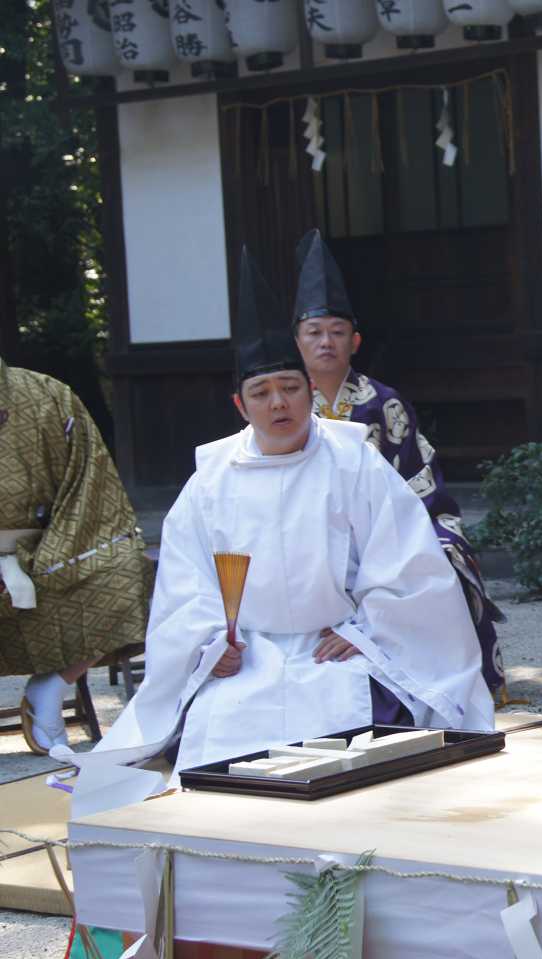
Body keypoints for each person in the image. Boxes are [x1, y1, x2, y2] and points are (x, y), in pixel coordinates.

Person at [82, 247, 492, 788]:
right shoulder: (211, 482)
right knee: (221, 734)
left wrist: (370, 629)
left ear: (309, 393)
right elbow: (186, 587)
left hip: (338, 645)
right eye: (262, 393)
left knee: (356, 742)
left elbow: (406, 563)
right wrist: (210, 645)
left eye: (291, 388)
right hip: (248, 651)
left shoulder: (352, 462)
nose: (279, 404)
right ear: (240, 405)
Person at [290, 229, 507, 702]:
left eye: (337, 332)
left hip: (384, 537)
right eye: (314, 332)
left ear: (355, 341)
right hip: (304, 542)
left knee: (443, 561)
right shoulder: (284, 405)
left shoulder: (383, 403)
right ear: (297, 341)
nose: (326, 342)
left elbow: (417, 480)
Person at [0, 357, 150, 755]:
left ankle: (51, 688)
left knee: (130, 573)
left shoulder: (47, 395)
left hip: (45, 550)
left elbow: (91, 488)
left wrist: (49, 555)